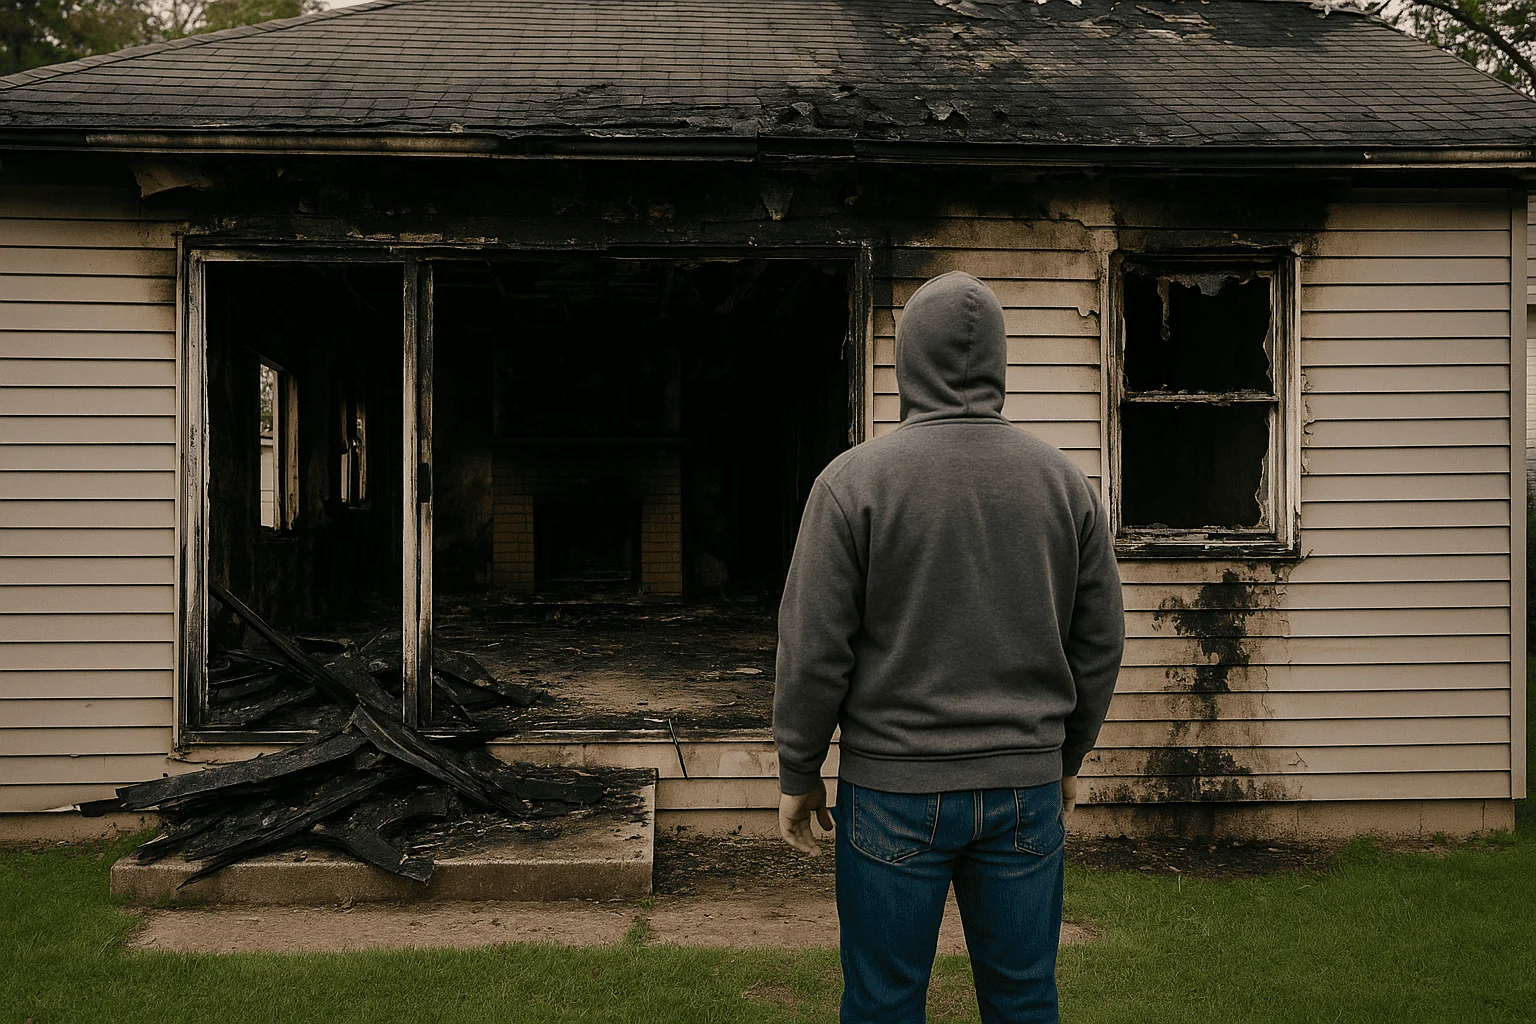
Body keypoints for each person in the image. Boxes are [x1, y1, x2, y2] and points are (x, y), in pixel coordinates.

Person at [772, 271, 1125, 1024]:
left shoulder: (852, 483)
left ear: (907, 364)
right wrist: (1065, 756)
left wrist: (799, 768)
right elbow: (1100, 640)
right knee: (1025, 998)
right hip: (1025, 786)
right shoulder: (1063, 484)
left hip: (893, 791)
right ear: (998, 360)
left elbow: (813, 650)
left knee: (883, 1003)